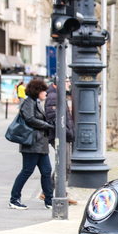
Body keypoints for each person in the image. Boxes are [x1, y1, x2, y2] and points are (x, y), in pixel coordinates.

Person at [9, 79, 55, 210]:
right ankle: (14, 199)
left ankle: (49, 200)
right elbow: (30, 119)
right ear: (37, 91)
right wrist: (47, 125)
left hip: (40, 144)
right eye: (43, 91)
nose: (45, 93)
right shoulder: (28, 103)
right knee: (27, 171)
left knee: (46, 171)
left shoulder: (35, 103)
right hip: (32, 144)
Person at [44, 76, 77, 205]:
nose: (69, 84)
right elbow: (53, 118)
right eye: (68, 81)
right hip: (61, 136)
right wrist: (65, 132)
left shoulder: (58, 94)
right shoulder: (53, 96)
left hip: (64, 135)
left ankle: (53, 191)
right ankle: (57, 192)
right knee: (64, 166)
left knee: (65, 166)